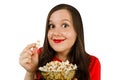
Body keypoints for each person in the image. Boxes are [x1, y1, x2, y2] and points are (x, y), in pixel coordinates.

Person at [19, 4, 101, 80]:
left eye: (65, 25)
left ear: (77, 31)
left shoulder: (92, 63)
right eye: (51, 26)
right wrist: (30, 71)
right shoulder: (39, 55)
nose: (56, 33)